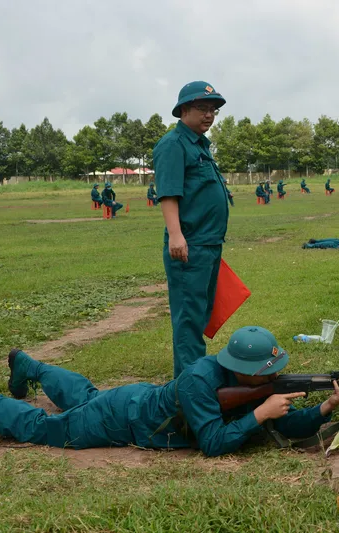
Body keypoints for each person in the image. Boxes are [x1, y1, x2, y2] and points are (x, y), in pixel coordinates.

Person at [0, 327, 339, 458]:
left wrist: (326, 405)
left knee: (84, 393)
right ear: (243, 373)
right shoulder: (200, 381)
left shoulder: (251, 388)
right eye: (267, 376)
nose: (273, 381)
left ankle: (32, 367)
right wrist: (260, 414)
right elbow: (212, 443)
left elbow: (289, 422)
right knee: (47, 428)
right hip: (121, 417)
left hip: (131, 399)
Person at [153, 81, 230, 378]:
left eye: (213, 110)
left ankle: (195, 377)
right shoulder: (173, 145)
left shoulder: (200, 145)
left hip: (208, 243)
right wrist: (176, 234)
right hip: (189, 245)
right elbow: (169, 194)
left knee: (200, 315)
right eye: (203, 108)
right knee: (188, 319)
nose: (209, 115)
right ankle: (189, 388)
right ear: (184, 110)